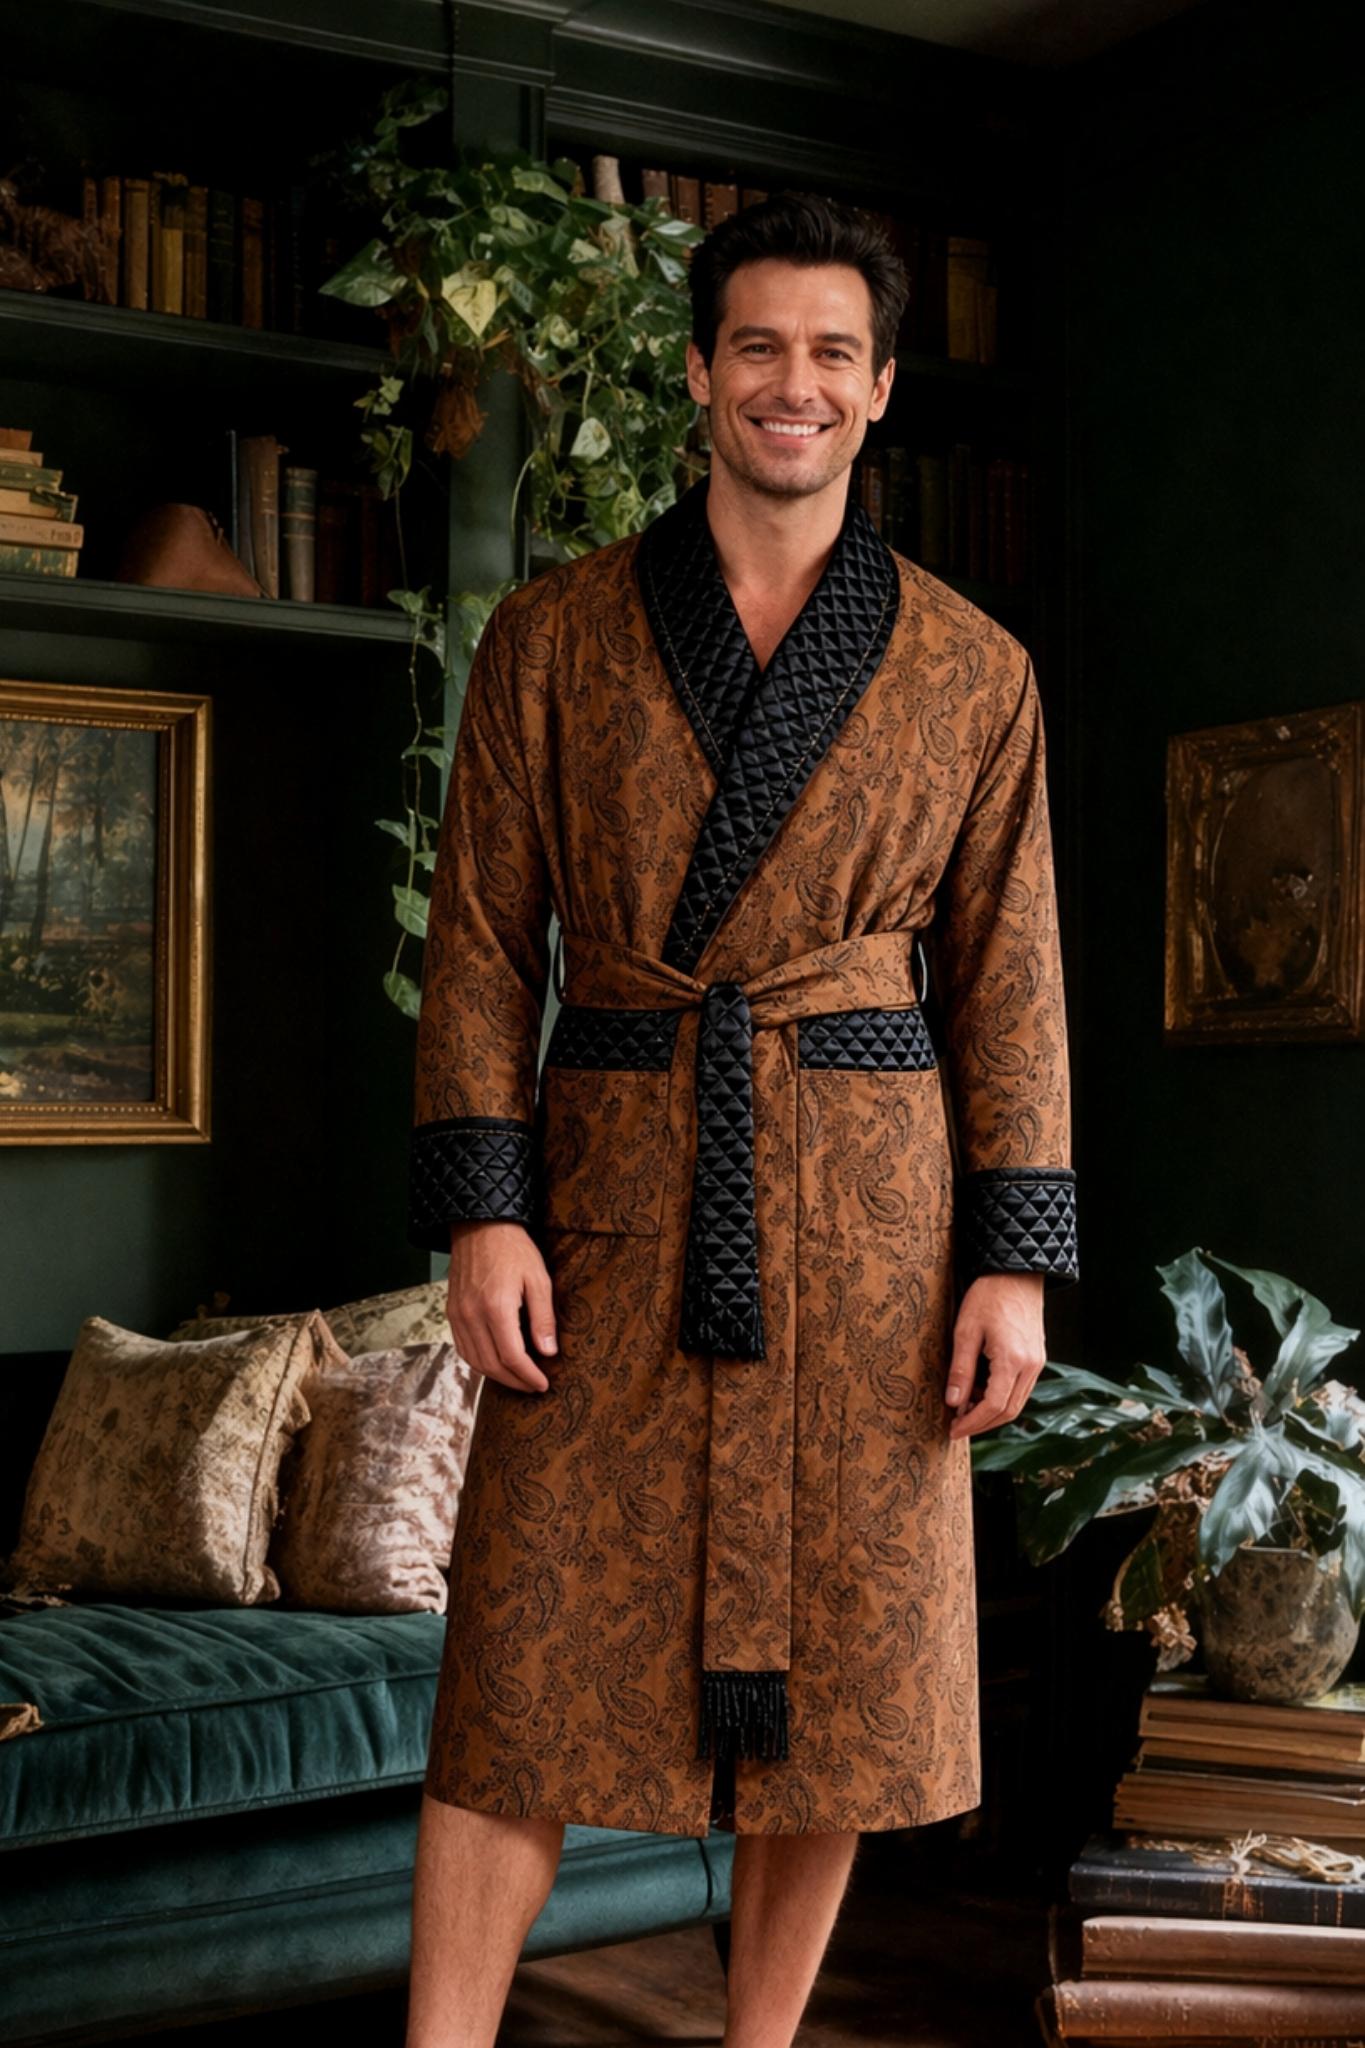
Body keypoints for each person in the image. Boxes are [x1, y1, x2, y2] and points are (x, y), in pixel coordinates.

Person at [403, 190, 1077, 2048]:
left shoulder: (971, 671)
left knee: (844, 1694)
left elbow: (1007, 981)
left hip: (868, 1217)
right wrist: (482, 1209)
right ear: (702, 373)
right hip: (609, 1200)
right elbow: (476, 945)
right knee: (511, 1684)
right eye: (758, 346)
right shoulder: (549, 640)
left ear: (875, 396)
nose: (794, 383)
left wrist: (1011, 1265)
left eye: (832, 353)